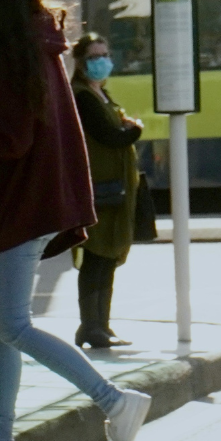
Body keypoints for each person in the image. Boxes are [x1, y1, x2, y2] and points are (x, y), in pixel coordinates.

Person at [0, 0, 151, 441]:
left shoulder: (11, 52)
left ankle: (114, 401)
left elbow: (11, 140)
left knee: (11, 325)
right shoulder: (41, 43)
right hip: (42, 197)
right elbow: (27, 124)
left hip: (22, 202)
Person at [69, 33, 144, 350]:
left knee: (108, 256)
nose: (101, 62)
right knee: (96, 256)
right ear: (81, 62)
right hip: (98, 188)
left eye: (105, 55)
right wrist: (134, 130)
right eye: (94, 57)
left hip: (113, 188)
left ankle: (102, 325)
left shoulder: (101, 94)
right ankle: (90, 326)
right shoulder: (83, 96)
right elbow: (109, 136)